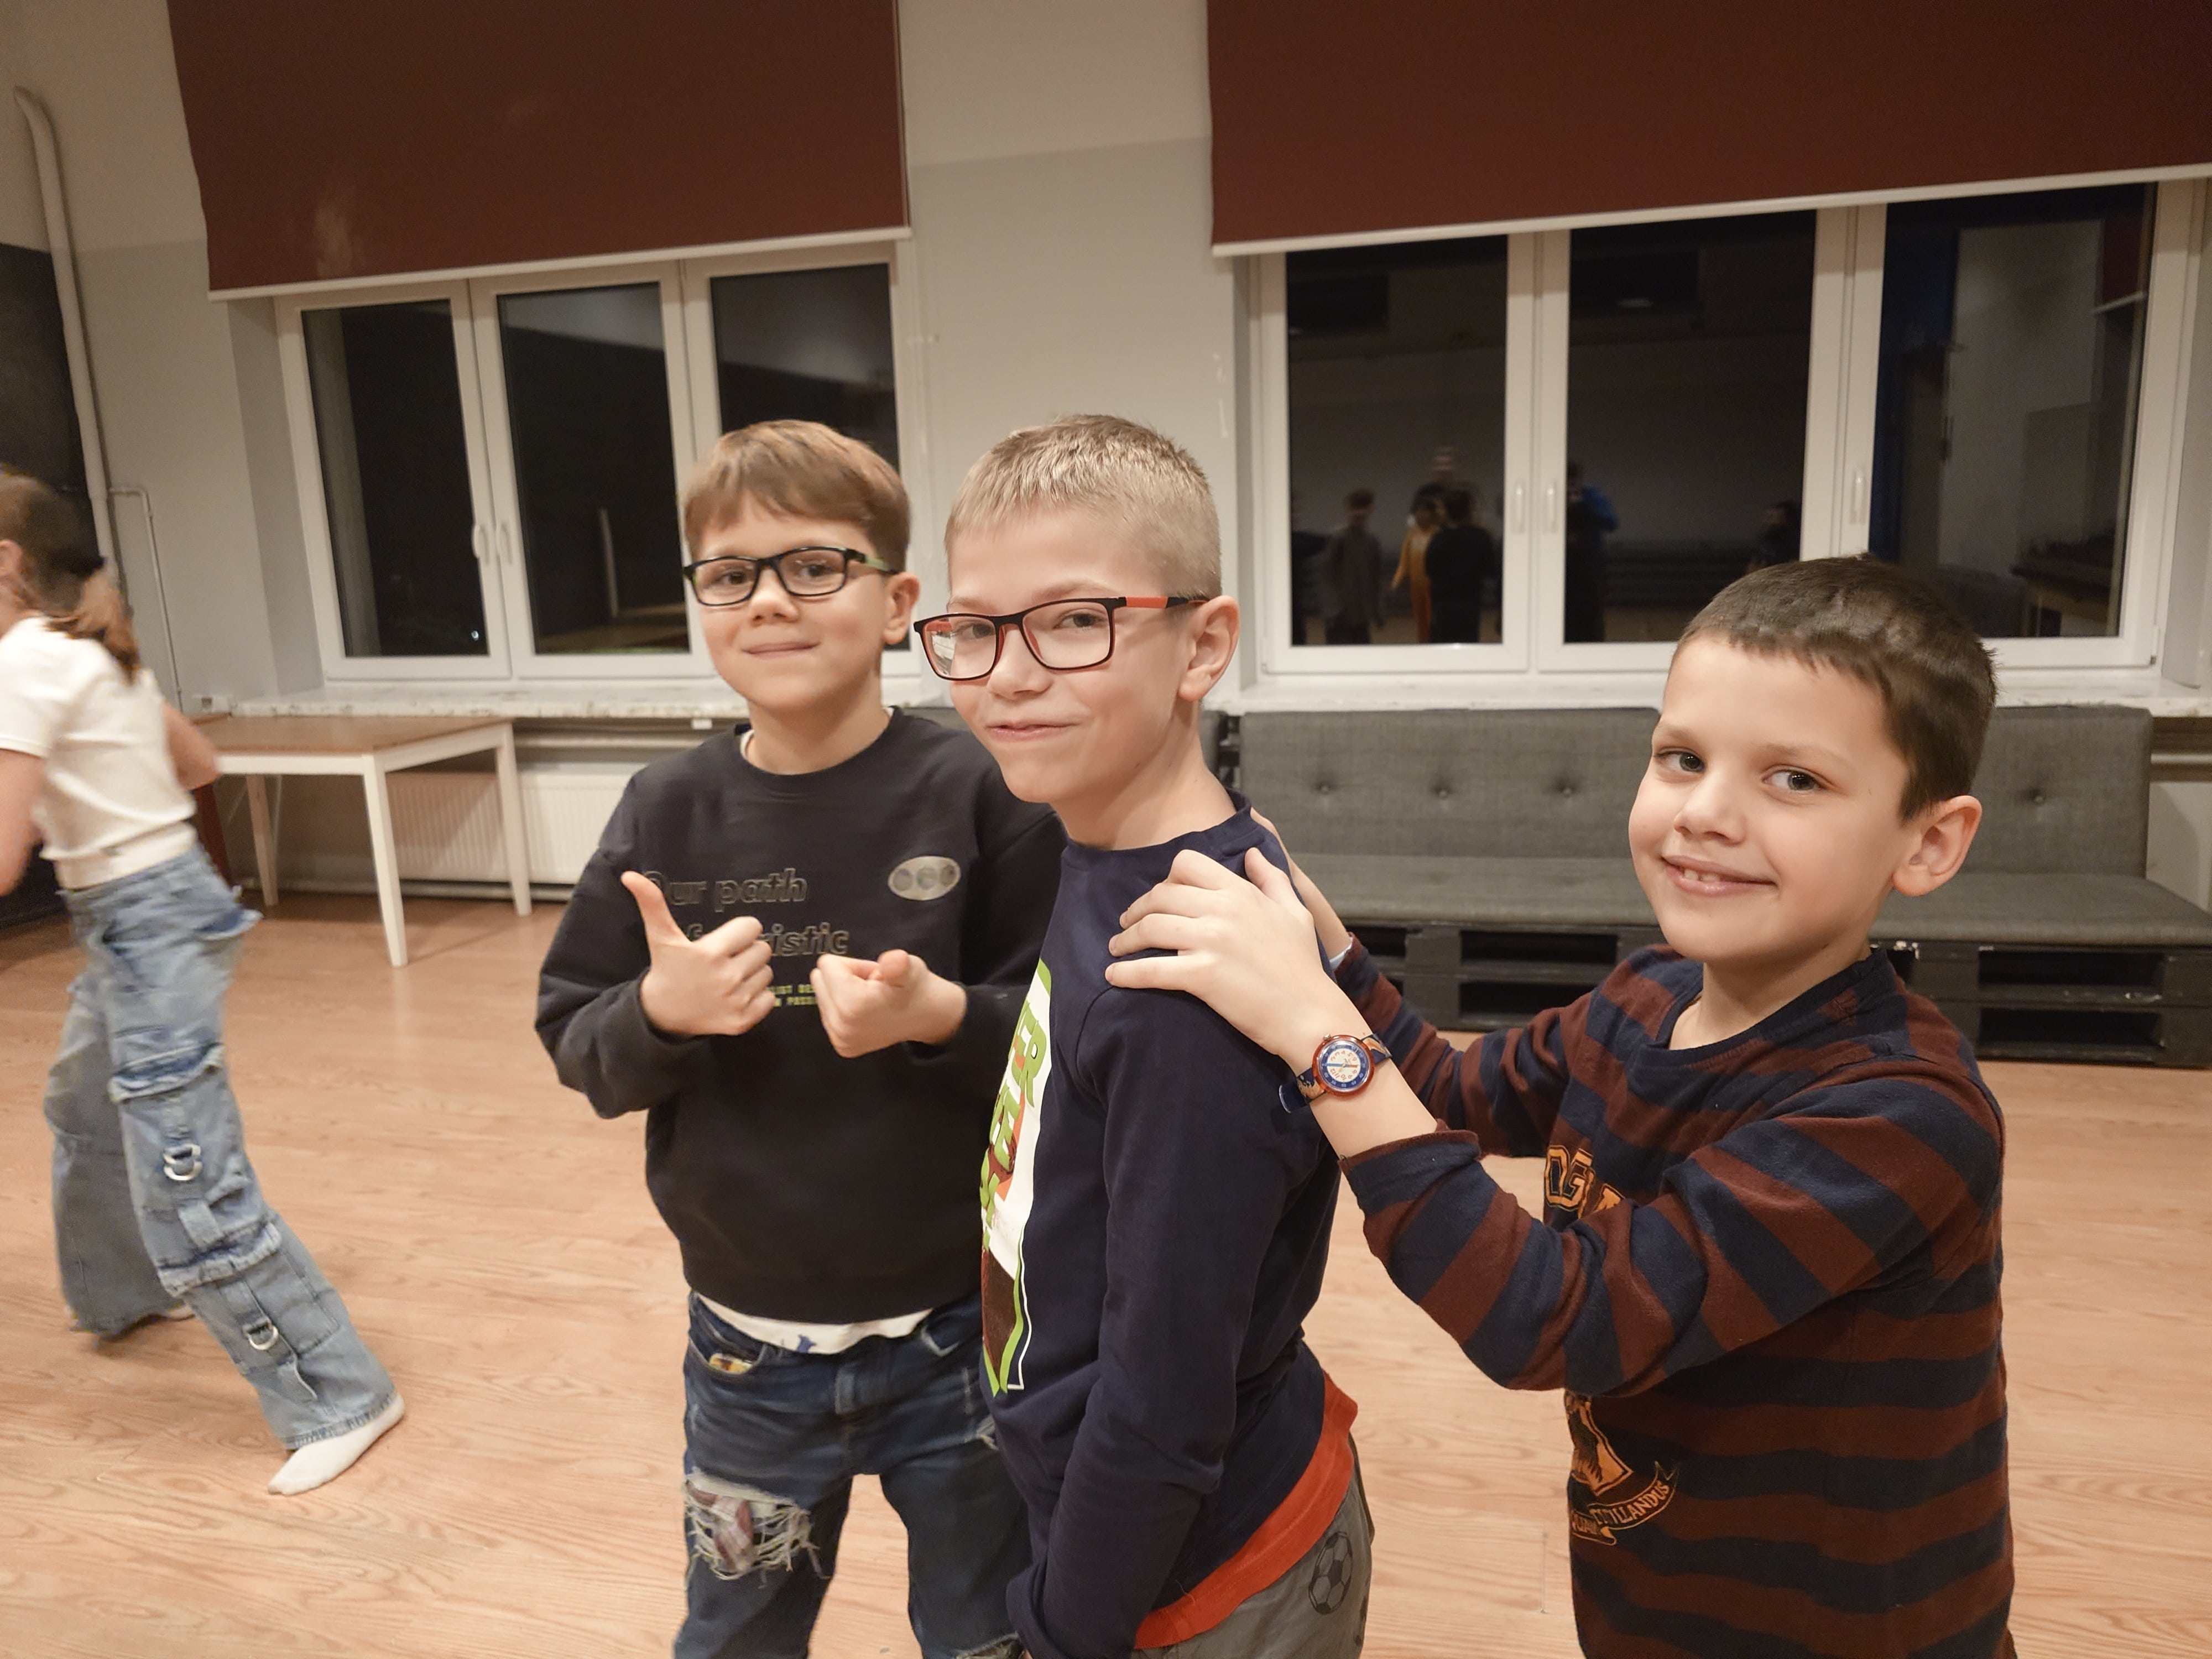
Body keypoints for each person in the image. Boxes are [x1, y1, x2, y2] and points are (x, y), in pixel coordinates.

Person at [1107, 556, 2015, 1657]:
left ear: (1928, 841)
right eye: (1682, 759)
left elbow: (1555, 1318)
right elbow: (1454, 1093)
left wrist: (1320, 1038)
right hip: (1653, 1599)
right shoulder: (1645, 996)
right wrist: (1324, 943)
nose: (1705, 814)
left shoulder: (1902, 1113)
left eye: (1794, 780)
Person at [536, 421, 1061, 1659]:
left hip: (961, 1335)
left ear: (898, 603)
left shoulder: (982, 791)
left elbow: (1068, 1035)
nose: (768, 600)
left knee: (987, 1630)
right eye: (730, 574)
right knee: (737, 1633)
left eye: (813, 566)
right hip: (744, 1351)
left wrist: (940, 1017)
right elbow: (575, 1036)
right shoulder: (664, 807)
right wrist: (660, 1015)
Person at [920, 415, 1370, 1659]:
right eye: (973, 629)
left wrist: (1063, 1630)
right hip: (1119, 1517)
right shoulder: (1106, 849)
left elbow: (1164, 1401)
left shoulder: (1183, 973)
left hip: (1195, 1573)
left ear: (1202, 645)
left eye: (1073, 621)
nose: (1007, 675)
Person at [0, 470, 403, 1495]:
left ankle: (341, 1393)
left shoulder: (22, 661)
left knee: (186, 1183)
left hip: (144, 925)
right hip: (166, 901)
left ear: (4, 563)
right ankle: (125, 1292)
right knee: (85, 1106)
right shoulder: (93, 650)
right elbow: (195, 764)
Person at [1422, 486, 1495, 644]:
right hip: (1470, 602)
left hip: (1443, 604)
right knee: (1467, 644)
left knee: (1441, 645)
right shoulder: (1481, 537)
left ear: (1447, 512)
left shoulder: (1439, 539)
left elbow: (1429, 569)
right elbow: (1490, 568)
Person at [1315, 488, 1385, 645]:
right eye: (1355, 508)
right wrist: (1331, 609)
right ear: (1348, 509)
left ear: (1370, 510)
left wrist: (1377, 612)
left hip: (1361, 616)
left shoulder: (1372, 542)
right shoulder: (1336, 539)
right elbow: (1326, 576)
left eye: (1363, 508)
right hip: (1339, 616)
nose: (1359, 513)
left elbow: (1376, 578)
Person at [1563, 458, 1616, 643]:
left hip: (1589, 562)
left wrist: (1583, 506)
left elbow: (1611, 523)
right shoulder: (1552, 497)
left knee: (1591, 609)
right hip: (1562, 563)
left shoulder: (1591, 496)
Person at [1389, 487, 1443, 643]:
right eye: (1419, 512)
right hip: (1416, 586)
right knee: (1421, 622)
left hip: (1433, 586)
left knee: (1434, 620)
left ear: (1432, 514)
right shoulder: (1412, 535)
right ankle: (1423, 645)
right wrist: (1396, 581)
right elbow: (1404, 562)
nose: (1422, 515)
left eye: (1426, 511)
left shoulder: (1437, 534)